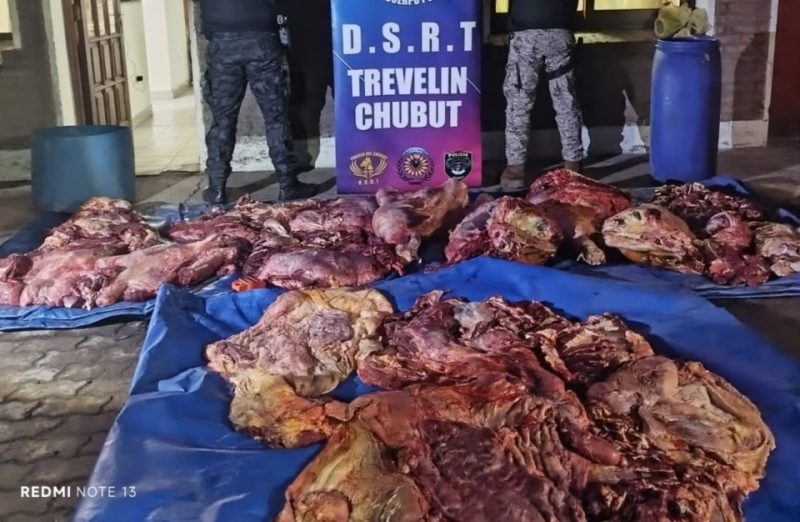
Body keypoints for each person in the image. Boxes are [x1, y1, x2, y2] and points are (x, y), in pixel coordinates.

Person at [195, 0, 318, 204]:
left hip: (222, 40)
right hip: (262, 37)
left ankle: (216, 188)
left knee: (222, 121)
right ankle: (288, 185)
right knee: (276, 118)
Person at [500, 0, 584, 191]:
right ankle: (573, 169)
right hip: (560, 31)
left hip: (526, 32)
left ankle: (515, 172)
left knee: (518, 104)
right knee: (566, 102)